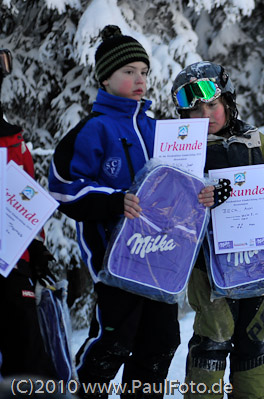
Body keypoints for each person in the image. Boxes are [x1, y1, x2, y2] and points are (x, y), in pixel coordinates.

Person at [47, 26, 200, 398]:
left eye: (144, 72)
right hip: (114, 261)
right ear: (105, 77)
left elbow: (185, 184)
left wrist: (203, 194)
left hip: (161, 259)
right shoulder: (93, 129)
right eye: (129, 71)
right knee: (114, 341)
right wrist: (115, 200)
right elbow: (63, 187)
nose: (139, 79)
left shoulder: (159, 130)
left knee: (162, 341)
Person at [170, 61, 264, 399]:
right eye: (195, 110)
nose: (206, 115)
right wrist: (201, 199)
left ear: (228, 103)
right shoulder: (181, 151)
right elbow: (168, 203)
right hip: (206, 264)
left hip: (257, 259)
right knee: (216, 336)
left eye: (212, 105)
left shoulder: (254, 140)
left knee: (257, 336)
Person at [0, 48, 57, 380]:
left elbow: (26, 206)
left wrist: (35, 246)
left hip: (11, 266)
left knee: (29, 360)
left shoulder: (14, 145)